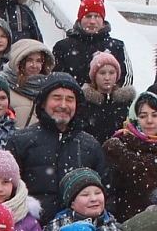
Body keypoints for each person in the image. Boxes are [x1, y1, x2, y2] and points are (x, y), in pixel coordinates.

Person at [7, 72, 110, 223]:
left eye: (70, 99)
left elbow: (107, 192)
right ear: (43, 102)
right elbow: (7, 191)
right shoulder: (20, 141)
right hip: (33, 229)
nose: (63, 105)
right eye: (57, 98)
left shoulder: (90, 145)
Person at [103, 91, 157, 221]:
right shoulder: (117, 148)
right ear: (134, 119)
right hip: (128, 224)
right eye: (143, 116)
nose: (149, 121)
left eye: (155, 115)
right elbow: (108, 193)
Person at [55, 0, 130, 86]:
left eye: (97, 16)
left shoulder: (117, 46)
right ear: (80, 19)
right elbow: (55, 79)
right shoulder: (63, 47)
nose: (92, 21)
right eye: (88, 16)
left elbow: (125, 79)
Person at [77, 50, 134, 143]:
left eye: (112, 73)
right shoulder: (83, 104)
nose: (107, 78)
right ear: (94, 76)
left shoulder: (127, 104)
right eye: (102, 73)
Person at [0, 38, 54, 128]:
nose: (34, 65)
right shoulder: (1, 85)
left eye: (39, 61)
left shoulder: (49, 88)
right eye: (29, 60)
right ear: (18, 61)